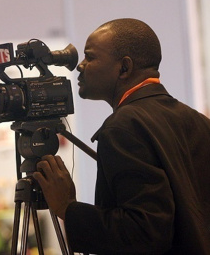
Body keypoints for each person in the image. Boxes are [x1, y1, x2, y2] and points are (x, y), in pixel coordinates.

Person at [32, 18, 210, 254]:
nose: (80, 66)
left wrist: (68, 209)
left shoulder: (123, 127)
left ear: (124, 68)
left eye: (90, 57)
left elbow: (145, 233)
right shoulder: (197, 120)